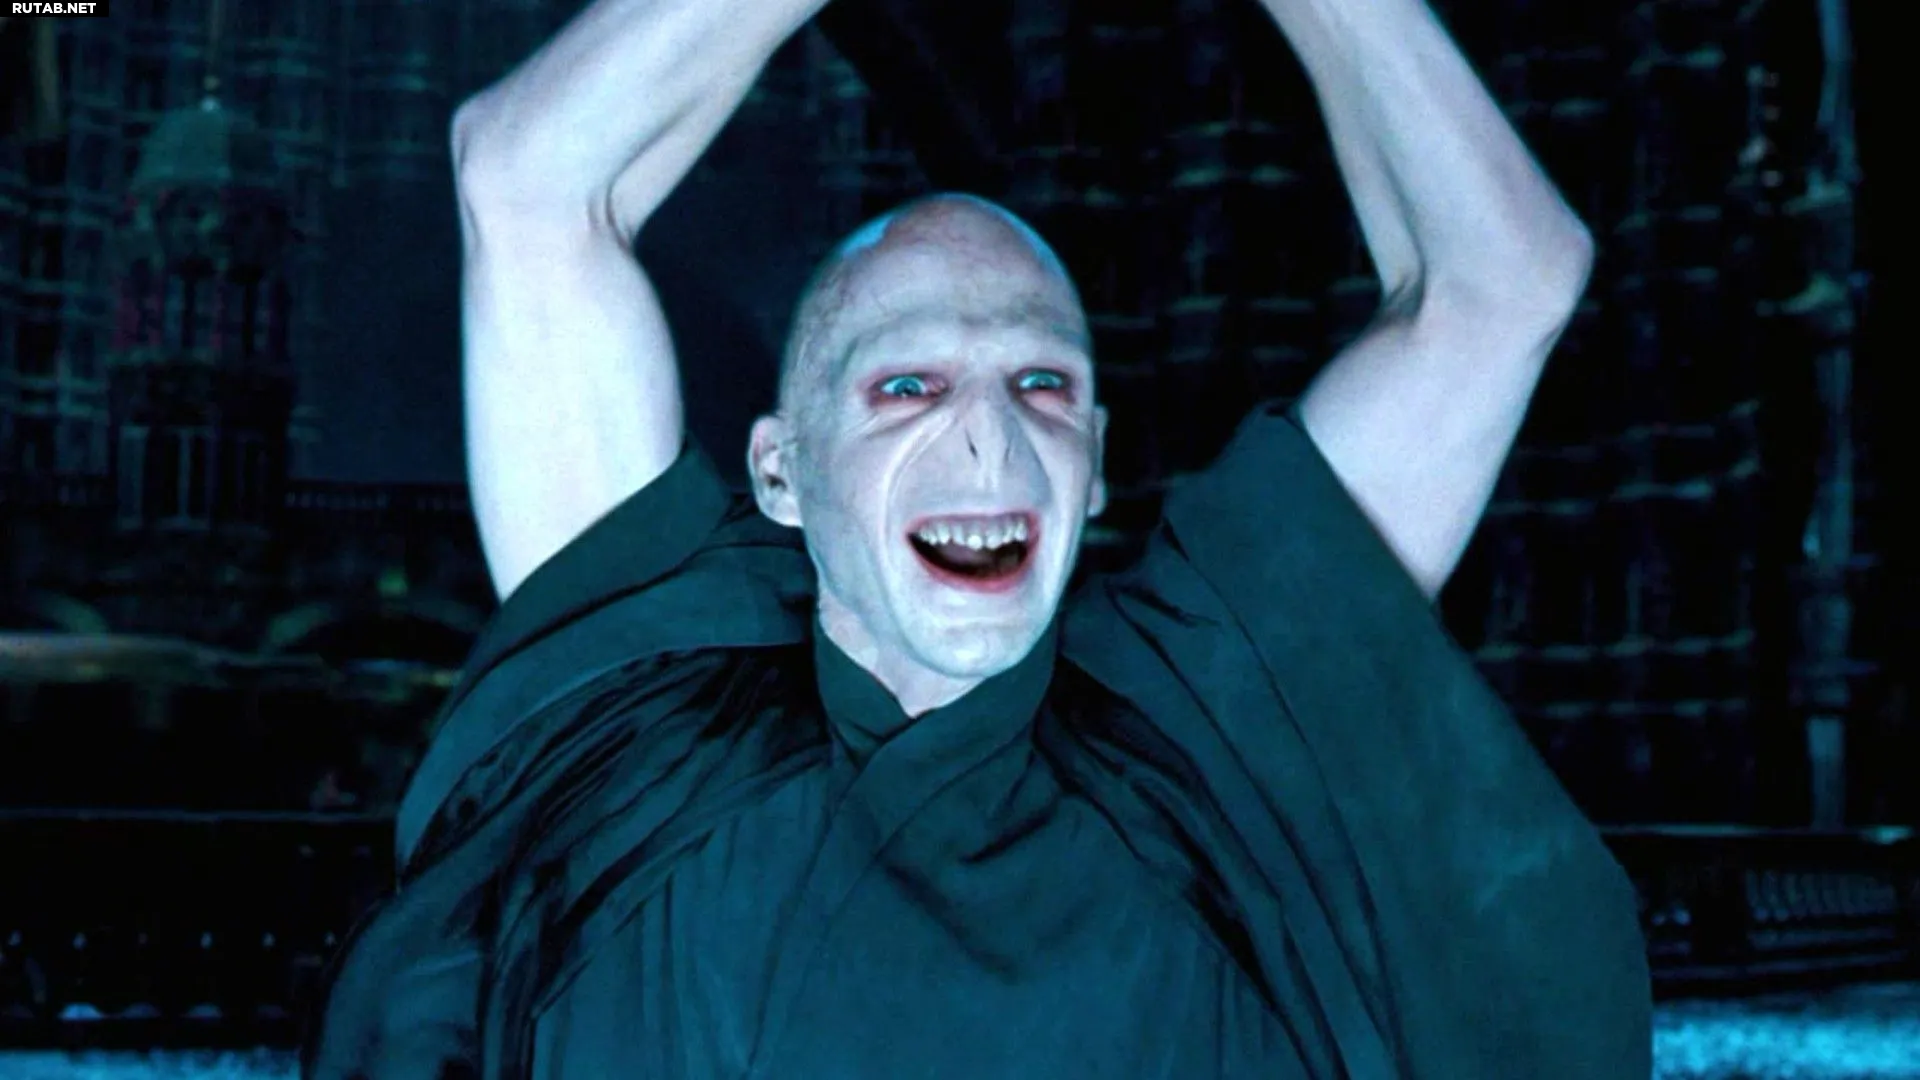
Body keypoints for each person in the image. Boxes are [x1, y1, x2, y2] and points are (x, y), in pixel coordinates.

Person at [305, 0, 1652, 1076]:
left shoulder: (1217, 716)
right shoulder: (637, 716)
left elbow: (1504, 281)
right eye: (907, 386)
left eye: (1041, 384)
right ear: (779, 470)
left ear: (1098, 462)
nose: (990, 441)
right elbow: (530, 181)